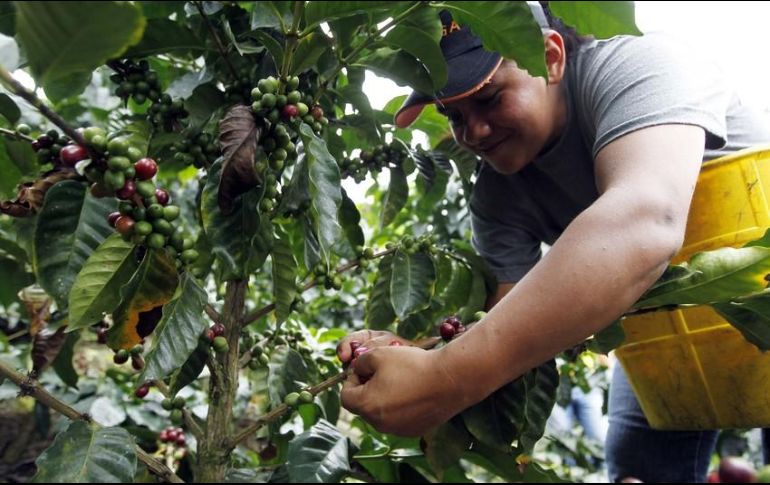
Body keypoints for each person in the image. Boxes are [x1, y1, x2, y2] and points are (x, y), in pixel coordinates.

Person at [336, 2, 770, 482]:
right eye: (452, 114)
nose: (474, 131)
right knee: (638, 466)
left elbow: (645, 220)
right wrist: (420, 355)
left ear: (550, 57)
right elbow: (507, 324)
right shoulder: (497, 196)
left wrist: (447, 378)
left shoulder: (636, 64)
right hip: (664, 332)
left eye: (489, 98)